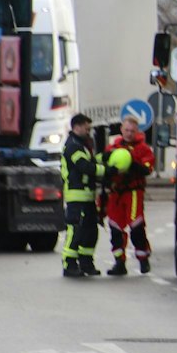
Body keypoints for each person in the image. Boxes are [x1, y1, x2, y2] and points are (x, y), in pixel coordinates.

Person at [102, 114, 155, 275]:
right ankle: (119, 262)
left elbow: (147, 169)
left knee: (136, 226)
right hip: (116, 192)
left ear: (137, 131)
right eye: (126, 130)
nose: (129, 133)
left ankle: (143, 258)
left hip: (133, 192)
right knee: (115, 227)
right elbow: (104, 165)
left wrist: (132, 163)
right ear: (121, 129)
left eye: (132, 131)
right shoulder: (113, 147)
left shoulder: (143, 149)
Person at [60, 114, 101, 278]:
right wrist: (107, 170)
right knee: (75, 230)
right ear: (77, 127)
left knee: (90, 231)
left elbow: (91, 161)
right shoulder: (73, 145)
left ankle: (86, 263)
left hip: (87, 197)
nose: (88, 131)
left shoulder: (83, 144)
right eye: (86, 127)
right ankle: (69, 264)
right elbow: (85, 166)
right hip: (76, 197)